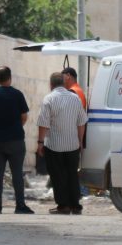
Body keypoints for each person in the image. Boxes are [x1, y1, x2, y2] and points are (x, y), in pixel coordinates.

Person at [0, 66, 34, 214]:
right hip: (16, 139)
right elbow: (24, 117)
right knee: (17, 173)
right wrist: (16, 126)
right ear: (10, 77)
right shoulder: (17, 95)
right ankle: (20, 206)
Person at [37, 72, 88, 215]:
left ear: (51, 84)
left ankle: (63, 205)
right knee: (72, 174)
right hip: (72, 144)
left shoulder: (48, 99)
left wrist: (40, 143)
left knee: (57, 175)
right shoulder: (75, 99)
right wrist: (79, 141)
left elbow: (43, 124)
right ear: (64, 83)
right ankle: (75, 205)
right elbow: (81, 122)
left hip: (54, 145)